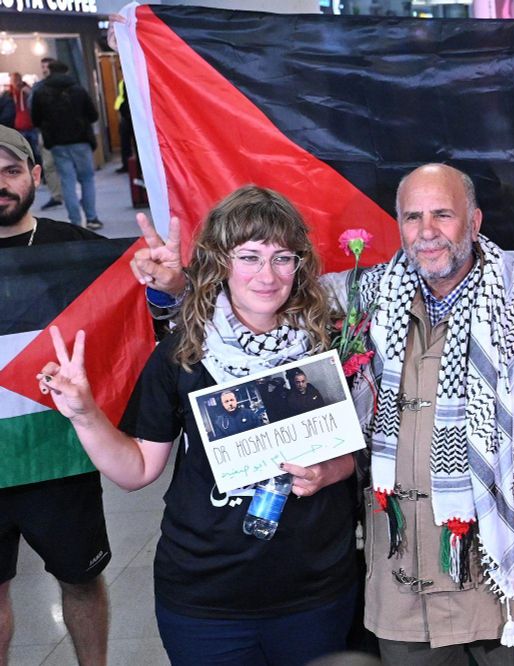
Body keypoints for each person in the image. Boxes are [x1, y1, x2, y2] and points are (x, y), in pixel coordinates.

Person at [37, 185, 359, 666]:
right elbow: (138, 469)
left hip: (317, 591)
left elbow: (368, 451)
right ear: (220, 263)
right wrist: (85, 414)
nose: (267, 275)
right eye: (248, 257)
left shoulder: (334, 343)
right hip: (207, 599)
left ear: (301, 264)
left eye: (282, 258)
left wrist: (331, 471)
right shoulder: (184, 352)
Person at [344, 163, 514, 664]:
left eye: (443, 214)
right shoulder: (368, 303)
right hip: (401, 574)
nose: (426, 232)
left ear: (474, 222)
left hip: (505, 572)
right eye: (412, 217)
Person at [0, 125, 109, 666]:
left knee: (82, 579)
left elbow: (145, 314)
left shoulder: (80, 251)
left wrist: (167, 286)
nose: (0, 183)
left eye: (11, 170)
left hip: (59, 454)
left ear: (35, 176)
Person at [30, 60, 102, 230]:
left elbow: (36, 119)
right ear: (66, 71)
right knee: (87, 179)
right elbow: (93, 115)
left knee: (67, 181)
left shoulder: (41, 92)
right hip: (81, 141)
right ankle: (92, 217)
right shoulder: (78, 89)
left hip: (57, 144)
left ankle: (76, 221)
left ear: (50, 71)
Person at [31, 57, 63, 210]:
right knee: (49, 165)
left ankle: (61, 194)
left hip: (60, 132)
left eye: (47, 66)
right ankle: (57, 195)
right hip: (47, 131)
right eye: (43, 66)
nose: (44, 69)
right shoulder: (38, 87)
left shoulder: (64, 86)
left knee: (59, 164)